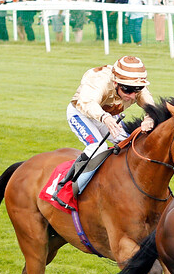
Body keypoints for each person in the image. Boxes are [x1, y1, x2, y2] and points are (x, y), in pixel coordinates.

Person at [57, 56, 156, 195]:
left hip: (106, 115)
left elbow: (151, 106)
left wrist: (149, 118)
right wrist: (105, 117)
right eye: (127, 90)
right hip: (81, 113)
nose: (133, 96)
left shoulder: (135, 87)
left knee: (130, 145)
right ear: (115, 83)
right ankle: (68, 188)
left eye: (137, 89)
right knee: (97, 147)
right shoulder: (98, 80)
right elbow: (88, 103)